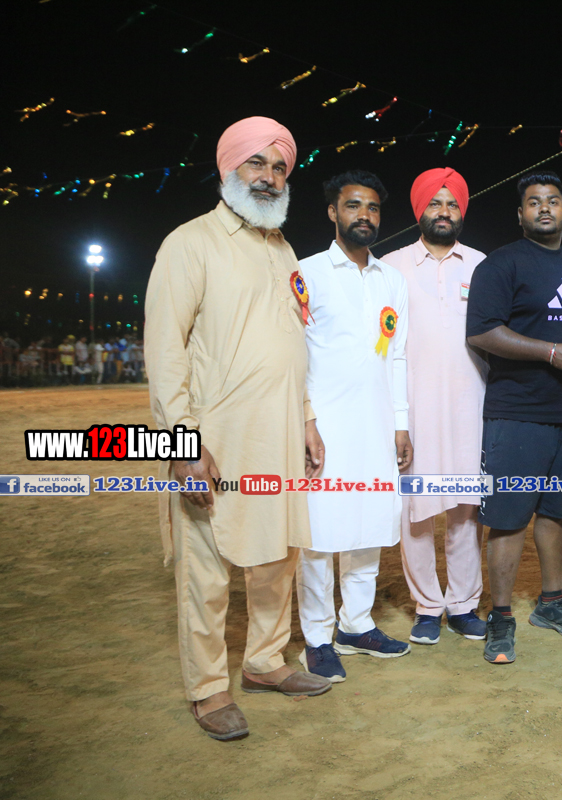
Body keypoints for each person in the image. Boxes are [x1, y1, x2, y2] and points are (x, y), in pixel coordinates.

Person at [145, 116, 332, 741]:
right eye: (257, 163)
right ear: (228, 168)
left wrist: (307, 418)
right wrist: (181, 445)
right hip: (215, 441)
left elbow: (292, 343)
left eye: (279, 167)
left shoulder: (282, 249)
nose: (269, 176)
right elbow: (164, 351)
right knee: (206, 567)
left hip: (280, 434)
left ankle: (265, 662)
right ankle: (207, 688)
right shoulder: (190, 243)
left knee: (279, 552)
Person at [466, 171, 562, 665]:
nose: (545, 208)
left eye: (554, 201)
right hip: (517, 411)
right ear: (520, 214)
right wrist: (548, 352)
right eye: (534, 202)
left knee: (556, 512)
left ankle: (551, 602)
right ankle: (501, 616)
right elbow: (482, 331)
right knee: (507, 518)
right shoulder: (501, 263)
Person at [295, 170, 413, 683]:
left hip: (377, 425)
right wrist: (306, 420)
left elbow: (397, 355)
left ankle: (356, 625)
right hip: (324, 428)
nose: (364, 215)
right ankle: (318, 637)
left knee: (369, 523)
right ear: (332, 212)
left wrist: (400, 423)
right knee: (320, 533)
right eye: (352, 205)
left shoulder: (391, 280)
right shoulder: (306, 272)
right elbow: (295, 354)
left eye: (373, 207)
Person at [383, 168, 489, 645]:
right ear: (419, 210)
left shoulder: (482, 265)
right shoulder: (392, 268)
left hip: (471, 407)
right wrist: (394, 416)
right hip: (413, 410)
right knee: (417, 511)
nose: (444, 212)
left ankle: (463, 604)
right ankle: (427, 605)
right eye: (435, 203)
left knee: (466, 509)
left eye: (452, 204)